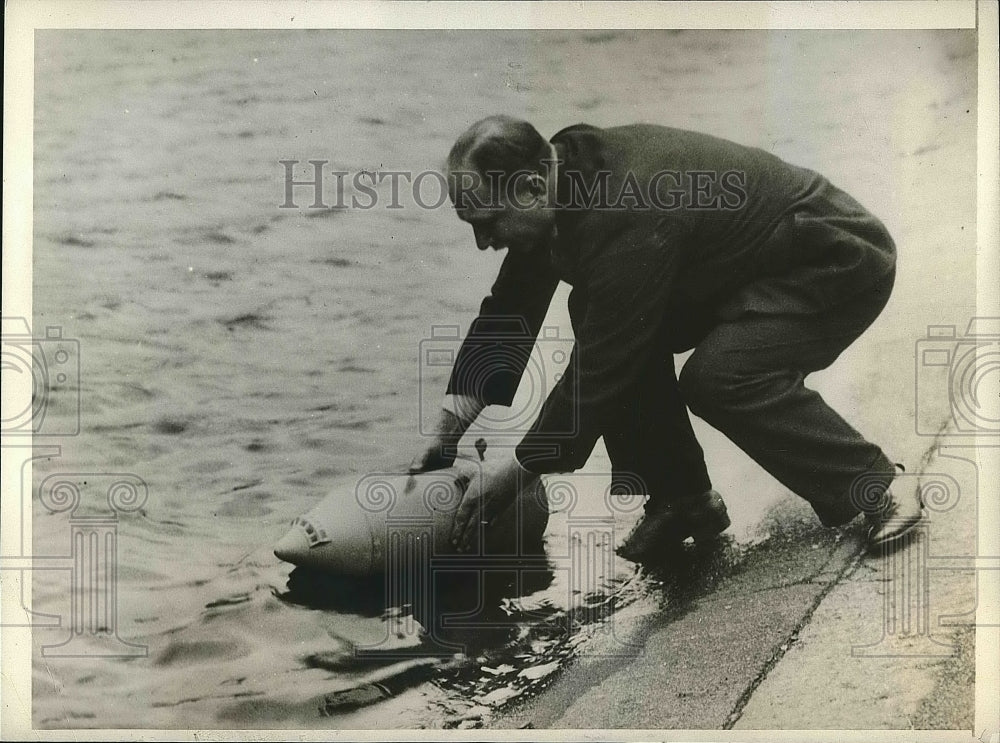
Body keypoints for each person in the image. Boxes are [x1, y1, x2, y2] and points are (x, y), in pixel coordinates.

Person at [409, 115, 923, 561]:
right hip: (749, 268)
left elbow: (603, 367)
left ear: (530, 188)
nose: (483, 242)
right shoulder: (562, 175)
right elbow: (510, 311)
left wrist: (517, 470)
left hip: (832, 259)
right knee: (596, 308)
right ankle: (682, 500)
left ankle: (877, 484)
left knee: (717, 377)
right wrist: (447, 433)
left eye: (488, 222)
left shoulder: (621, 213)